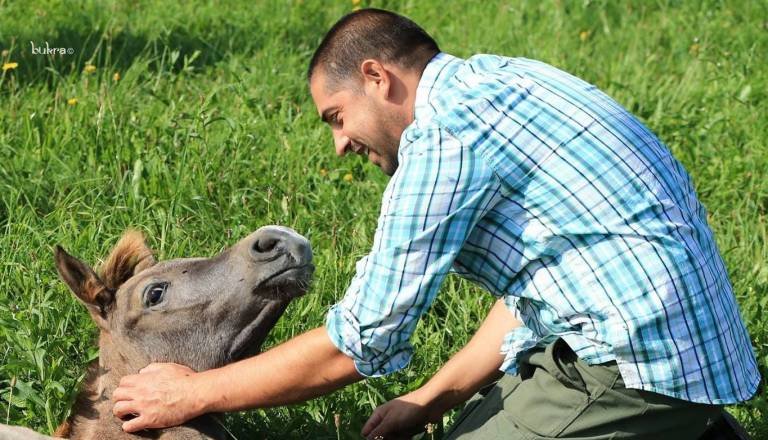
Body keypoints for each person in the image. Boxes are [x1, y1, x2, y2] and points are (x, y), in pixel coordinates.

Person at [112, 8, 760, 439]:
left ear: (376, 77)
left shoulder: (443, 140)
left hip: (633, 368)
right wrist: (432, 399)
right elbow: (536, 291)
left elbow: (356, 344)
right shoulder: (499, 83)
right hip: (678, 353)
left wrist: (197, 394)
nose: (339, 145)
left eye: (336, 117)